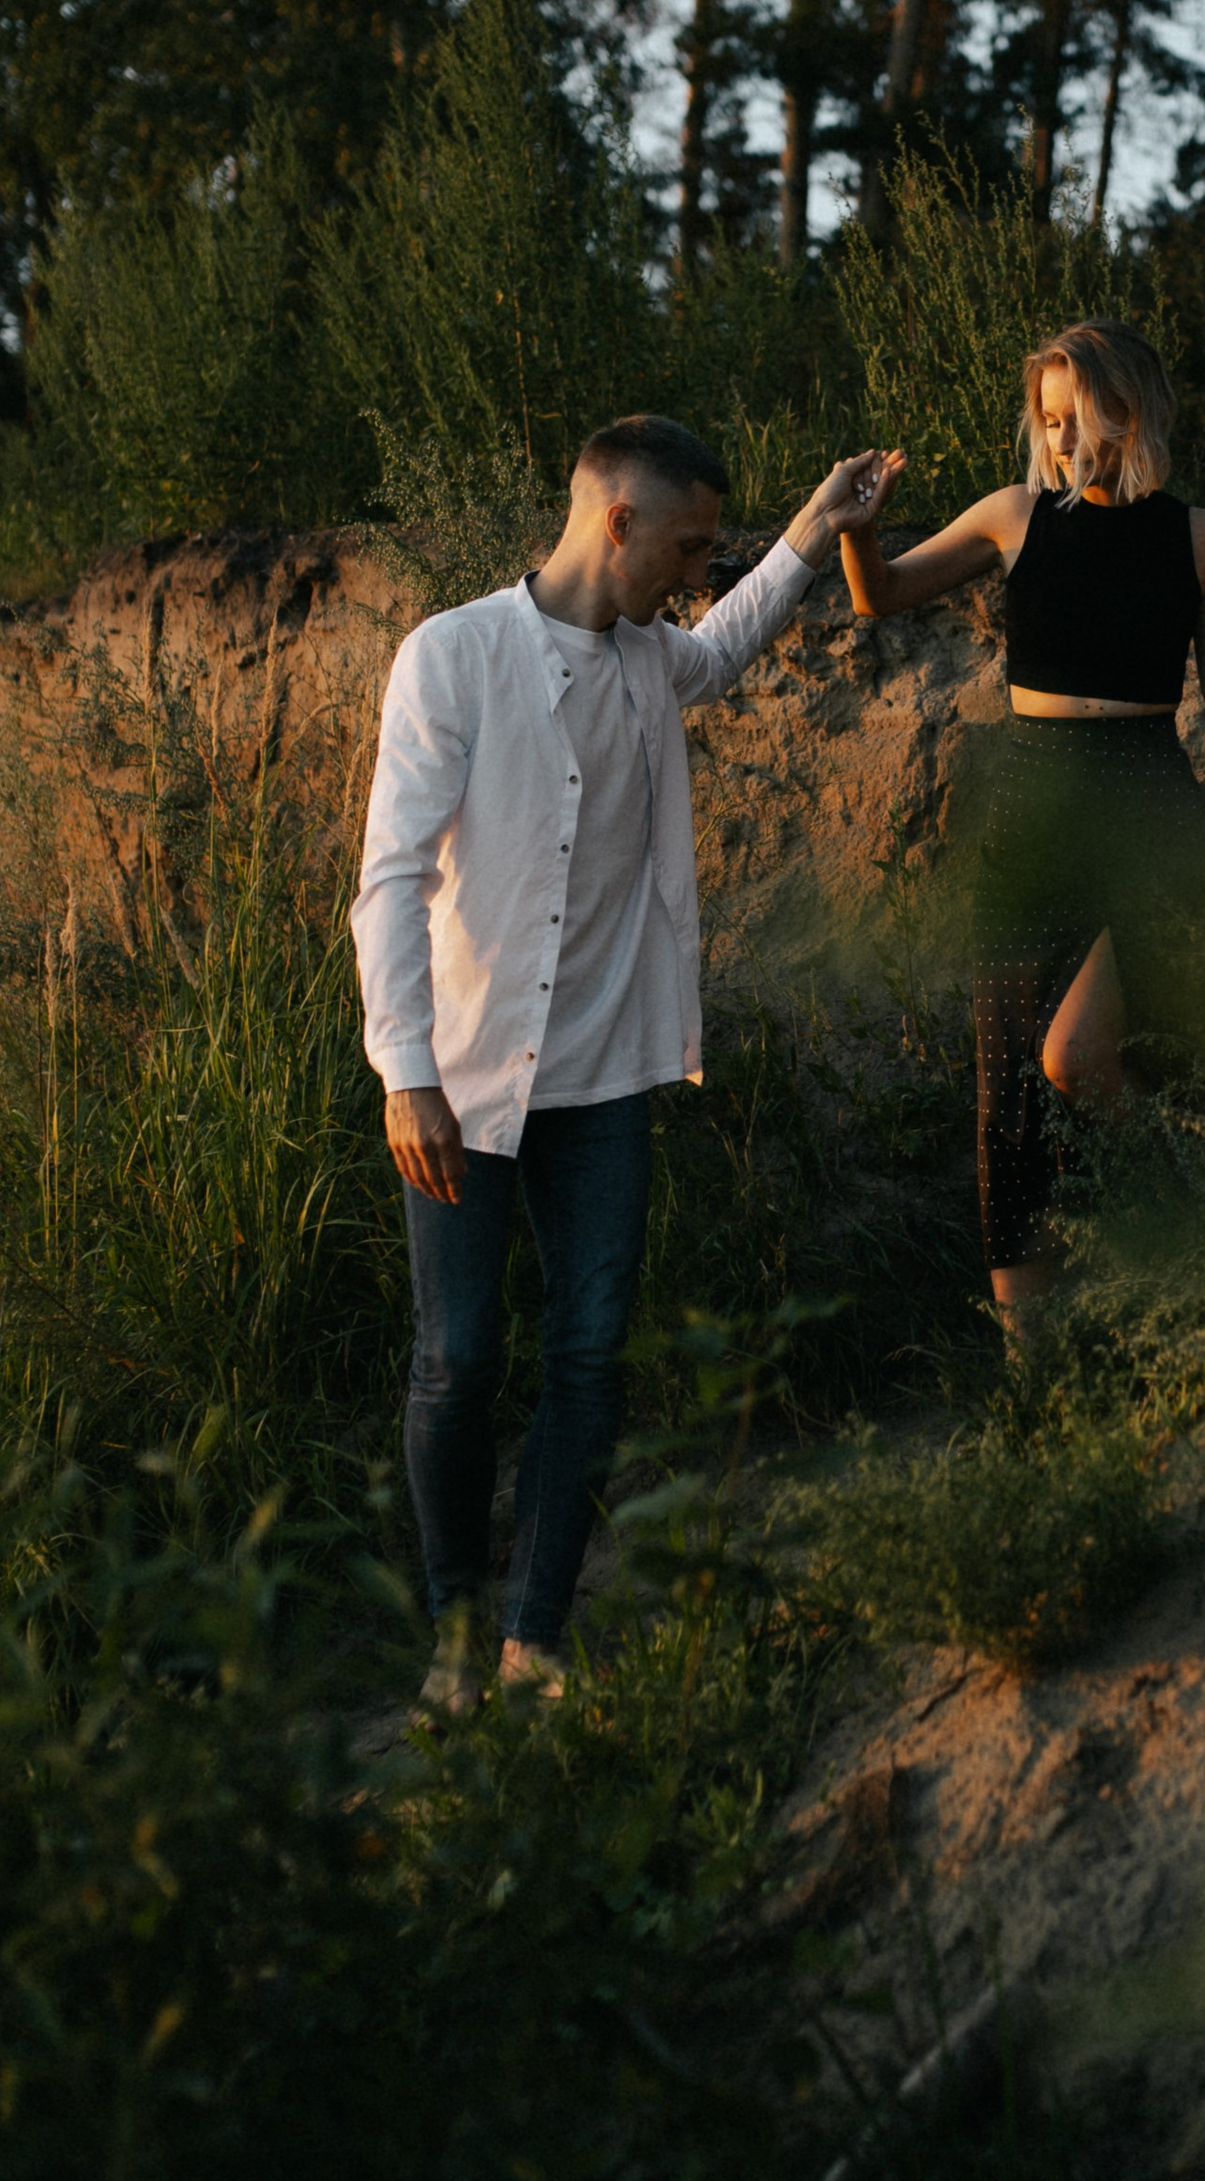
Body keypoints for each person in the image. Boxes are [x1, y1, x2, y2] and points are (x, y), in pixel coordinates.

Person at [353, 412, 895, 1708]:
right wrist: (406, 1071)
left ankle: (535, 1635)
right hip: (466, 1078)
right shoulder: (454, 657)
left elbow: (723, 644)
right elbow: (385, 881)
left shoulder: (653, 662)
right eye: (690, 543)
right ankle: (449, 1635)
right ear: (617, 523)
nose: (700, 569)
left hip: (601, 1079)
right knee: (458, 1360)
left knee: (590, 1356)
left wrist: (819, 531)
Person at [838, 320, 1205, 1320]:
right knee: (1011, 1094)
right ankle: (1035, 1361)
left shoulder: (1199, 534)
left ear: (1132, 409)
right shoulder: (1014, 514)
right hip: (1036, 807)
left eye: (1079, 416)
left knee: (1088, 1057)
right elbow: (879, 596)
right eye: (1049, 421)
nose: (1065, 440)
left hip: (1147, 798)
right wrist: (860, 523)